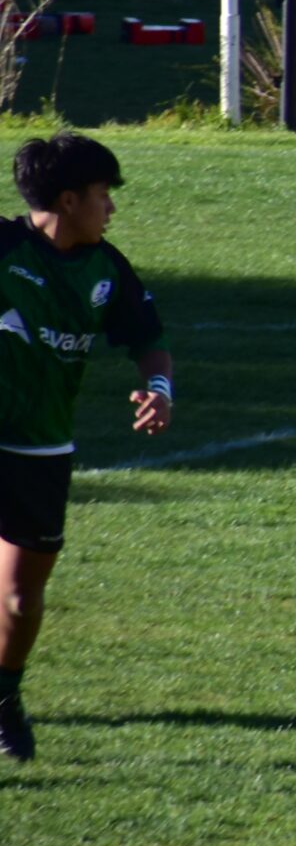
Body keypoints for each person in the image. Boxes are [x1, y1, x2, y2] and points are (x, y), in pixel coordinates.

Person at [2, 134, 174, 762]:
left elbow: (149, 341)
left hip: (42, 450)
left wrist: (158, 388)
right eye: (104, 196)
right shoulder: (4, 248)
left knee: (21, 599)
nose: (111, 208)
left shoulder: (107, 268)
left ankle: (4, 698)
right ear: (68, 200)